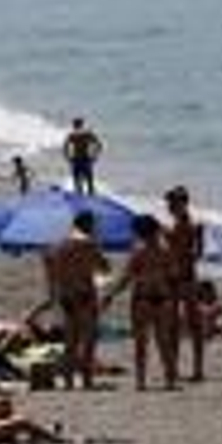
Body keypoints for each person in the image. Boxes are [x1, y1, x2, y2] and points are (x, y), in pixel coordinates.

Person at [100, 214, 180, 391]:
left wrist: (110, 295)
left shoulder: (139, 251)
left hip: (142, 299)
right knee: (163, 342)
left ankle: (141, 381)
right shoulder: (166, 251)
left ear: (140, 232)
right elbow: (174, 276)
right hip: (162, 298)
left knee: (141, 343)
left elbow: (126, 278)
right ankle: (169, 380)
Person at [43, 210, 109, 390]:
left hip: (66, 297)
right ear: (88, 224)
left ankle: (68, 382)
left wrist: (54, 296)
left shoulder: (57, 245)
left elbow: (51, 273)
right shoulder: (88, 243)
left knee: (70, 343)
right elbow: (104, 267)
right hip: (85, 294)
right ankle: (87, 380)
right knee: (88, 341)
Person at [165, 186, 207, 382]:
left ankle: (178, 367)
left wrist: (168, 238)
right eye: (169, 203)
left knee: (179, 325)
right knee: (190, 325)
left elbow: (182, 251)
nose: (169, 207)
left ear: (181, 203)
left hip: (181, 278)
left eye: (172, 203)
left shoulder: (183, 226)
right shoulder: (193, 226)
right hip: (186, 277)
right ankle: (194, 368)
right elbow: (197, 254)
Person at [62, 117, 104, 195]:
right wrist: (95, 156)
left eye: (74, 126)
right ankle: (90, 198)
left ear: (74, 126)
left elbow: (65, 147)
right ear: (82, 125)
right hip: (85, 159)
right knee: (89, 183)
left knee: (78, 183)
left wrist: (68, 157)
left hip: (77, 160)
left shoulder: (72, 135)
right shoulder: (87, 134)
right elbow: (99, 145)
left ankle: (81, 199)